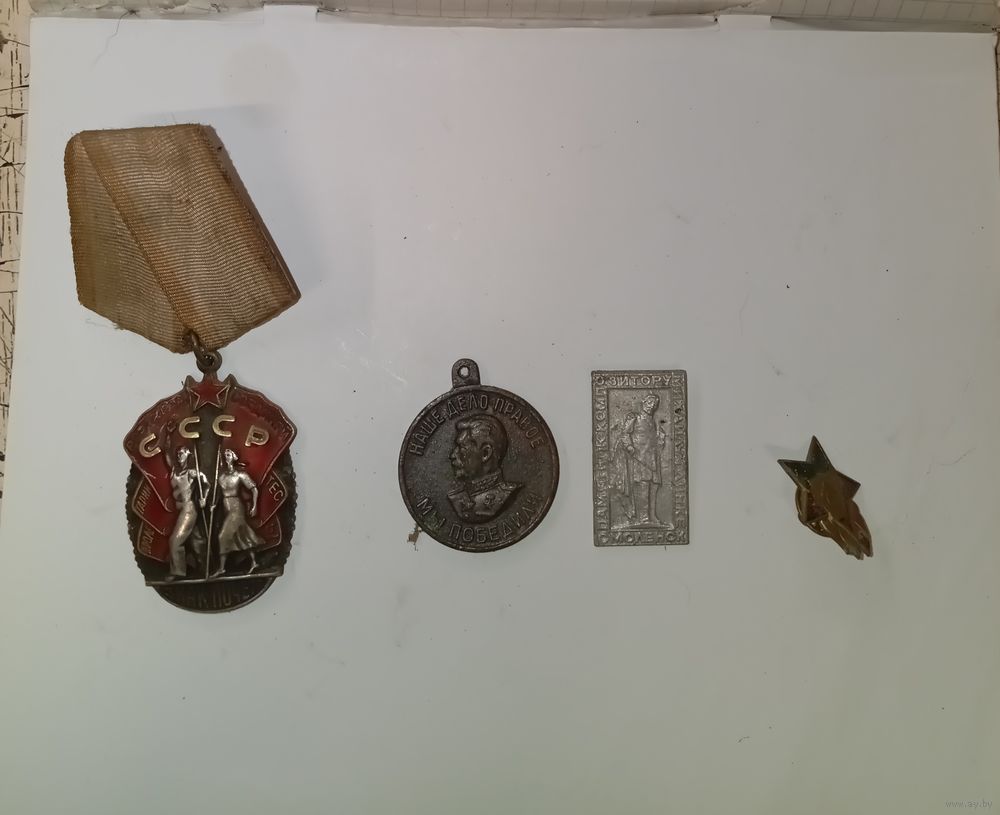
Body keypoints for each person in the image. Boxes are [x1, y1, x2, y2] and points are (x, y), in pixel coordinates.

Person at [447, 415, 521, 523]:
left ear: (485, 453)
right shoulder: (455, 498)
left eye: (462, 448)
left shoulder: (509, 496)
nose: (453, 455)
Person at [211, 448, 263, 577]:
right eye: (225, 455)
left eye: (229, 455)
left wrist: (254, 506)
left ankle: (222, 568)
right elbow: (218, 493)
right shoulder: (221, 476)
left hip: (236, 508)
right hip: (225, 507)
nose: (226, 457)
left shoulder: (240, 475)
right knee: (242, 535)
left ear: (234, 457)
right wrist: (214, 504)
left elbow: (254, 489)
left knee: (223, 536)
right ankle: (254, 562)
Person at [617, 392, 667, 525]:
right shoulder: (635, 418)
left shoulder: (654, 422)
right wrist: (629, 446)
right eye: (649, 403)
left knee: (654, 486)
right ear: (643, 403)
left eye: (654, 404)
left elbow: (655, 440)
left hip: (653, 459)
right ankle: (643, 517)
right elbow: (624, 434)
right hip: (640, 458)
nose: (652, 406)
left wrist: (660, 437)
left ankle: (652, 515)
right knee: (643, 486)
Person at [165, 446, 208, 581]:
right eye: (178, 453)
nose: (179, 455)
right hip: (182, 510)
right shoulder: (175, 471)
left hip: (189, 509)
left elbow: (206, 484)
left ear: (188, 455)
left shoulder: (192, 473)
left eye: (182, 453)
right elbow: (167, 456)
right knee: (197, 541)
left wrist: (204, 498)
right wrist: (167, 442)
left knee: (175, 541)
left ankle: (178, 572)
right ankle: (207, 567)